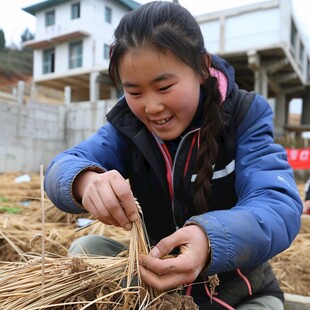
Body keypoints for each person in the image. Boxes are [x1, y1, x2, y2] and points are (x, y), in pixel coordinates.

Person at [44, 1, 303, 309]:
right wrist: (84, 181)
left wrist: (210, 240)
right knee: (85, 249)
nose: (151, 107)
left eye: (164, 87)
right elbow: (62, 165)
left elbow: (277, 204)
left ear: (202, 68)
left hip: (238, 292)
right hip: (156, 287)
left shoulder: (245, 115)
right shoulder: (127, 127)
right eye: (135, 92)